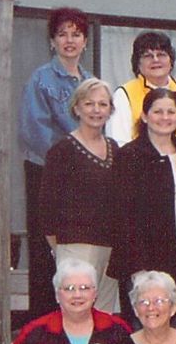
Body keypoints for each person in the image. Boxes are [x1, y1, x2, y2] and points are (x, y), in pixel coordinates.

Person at [108, 86, 176, 334]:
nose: (165, 117)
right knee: (147, 325)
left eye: (171, 112)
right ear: (144, 115)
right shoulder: (129, 156)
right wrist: (137, 268)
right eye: (158, 111)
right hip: (147, 256)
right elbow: (121, 215)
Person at [19, 7, 90, 317]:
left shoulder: (89, 82)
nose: (69, 40)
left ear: (85, 41)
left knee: (75, 251)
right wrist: (71, 160)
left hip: (82, 177)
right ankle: (42, 322)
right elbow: (34, 130)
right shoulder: (42, 79)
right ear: (52, 42)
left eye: (76, 34)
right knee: (46, 251)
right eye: (62, 34)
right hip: (47, 173)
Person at [38, 77, 119, 312]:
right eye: (89, 103)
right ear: (77, 108)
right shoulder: (61, 151)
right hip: (75, 246)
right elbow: (46, 206)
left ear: (110, 110)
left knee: (103, 314)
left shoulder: (116, 149)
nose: (96, 110)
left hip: (110, 247)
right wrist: (60, 250)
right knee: (76, 311)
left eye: (102, 104)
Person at [108, 30, 176, 153]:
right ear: (137, 63)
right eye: (147, 56)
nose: (155, 60)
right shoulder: (124, 94)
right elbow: (119, 142)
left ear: (171, 60)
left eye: (161, 54)